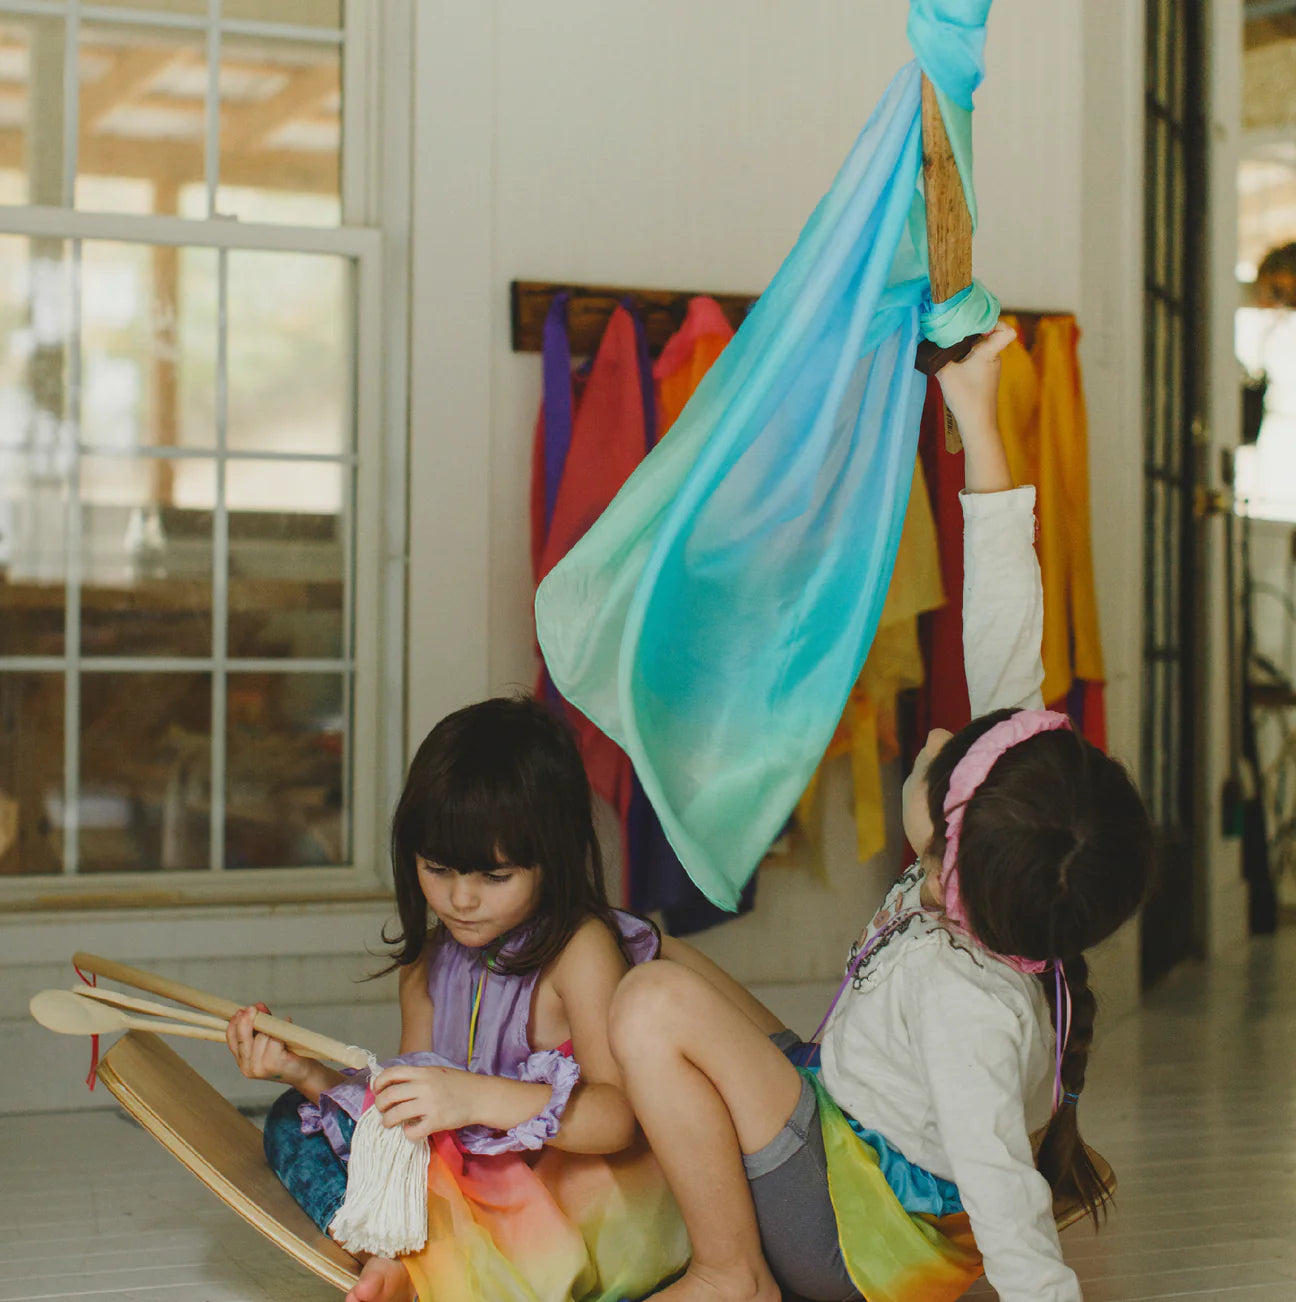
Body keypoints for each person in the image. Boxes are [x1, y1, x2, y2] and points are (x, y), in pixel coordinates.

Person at [608, 324, 1155, 1302]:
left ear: (945, 848)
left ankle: (732, 1275)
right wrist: (976, 414)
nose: (939, 737)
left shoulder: (969, 1005)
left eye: (938, 759)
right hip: (849, 1123)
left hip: (864, 1237)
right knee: (638, 953)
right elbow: (1003, 607)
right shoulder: (1003, 871)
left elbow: (1006, 1205)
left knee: (650, 1004)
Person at [226, 697, 688, 1302]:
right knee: (290, 1120)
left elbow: (616, 1120)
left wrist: (474, 1096)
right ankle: (391, 1252)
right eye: (437, 867)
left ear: (552, 860)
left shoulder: (580, 951)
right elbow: (403, 1120)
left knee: (592, 1188)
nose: (460, 899)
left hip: (558, 1189)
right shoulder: (425, 966)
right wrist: (299, 1068)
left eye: (494, 877)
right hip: (460, 1186)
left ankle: (415, 1264)